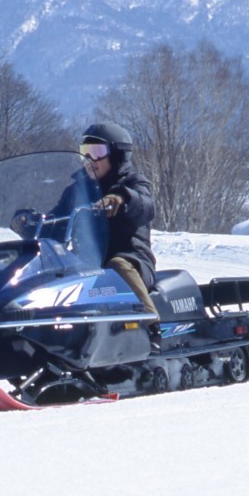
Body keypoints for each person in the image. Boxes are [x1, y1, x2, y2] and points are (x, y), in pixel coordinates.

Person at [78, 121, 161, 348]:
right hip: (87, 262)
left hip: (132, 259)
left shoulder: (133, 182)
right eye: (85, 153)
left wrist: (122, 199)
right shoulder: (77, 188)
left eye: (96, 153)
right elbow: (58, 214)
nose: (89, 160)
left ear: (117, 156)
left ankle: (151, 326)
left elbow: (145, 205)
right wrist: (31, 221)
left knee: (117, 265)